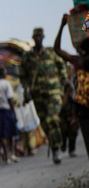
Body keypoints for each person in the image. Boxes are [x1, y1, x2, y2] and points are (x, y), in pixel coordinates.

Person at [20, 27, 72, 164]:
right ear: (33, 38)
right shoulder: (27, 57)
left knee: (52, 119)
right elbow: (23, 76)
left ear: (43, 37)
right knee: (44, 123)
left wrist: (65, 79)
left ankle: (56, 147)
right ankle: (57, 142)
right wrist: (26, 88)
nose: (38, 38)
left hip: (54, 91)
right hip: (37, 95)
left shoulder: (50, 53)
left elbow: (61, 67)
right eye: (35, 36)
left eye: (40, 36)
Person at [54, 13, 89, 159]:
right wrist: (62, 27)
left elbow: (57, 50)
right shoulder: (78, 61)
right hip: (84, 111)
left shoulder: (78, 62)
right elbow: (57, 50)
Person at [0, 67, 19, 164]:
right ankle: (12, 153)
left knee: (2, 134)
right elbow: (10, 99)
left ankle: (6, 155)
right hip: (6, 109)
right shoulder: (6, 84)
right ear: (3, 73)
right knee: (11, 133)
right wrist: (14, 113)